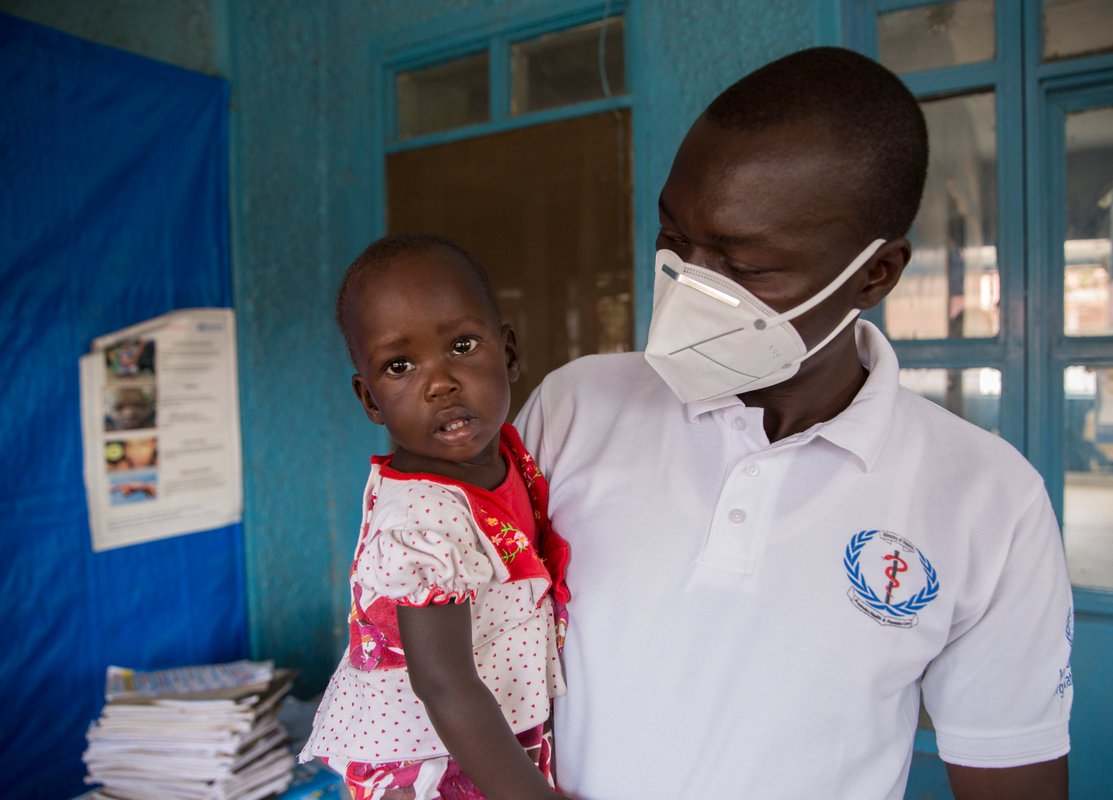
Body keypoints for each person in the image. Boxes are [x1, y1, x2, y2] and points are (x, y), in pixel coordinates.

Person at [515, 47, 1073, 799]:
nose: (692, 287)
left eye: (747, 267)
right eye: (675, 240)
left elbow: (1012, 776)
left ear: (876, 274)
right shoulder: (574, 409)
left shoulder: (987, 499)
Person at [300, 234, 571, 800]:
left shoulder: (509, 457)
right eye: (399, 365)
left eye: (462, 346)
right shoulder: (422, 520)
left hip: (489, 739)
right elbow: (443, 683)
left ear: (510, 354)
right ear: (371, 399)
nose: (440, 382)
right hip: (428, 764)